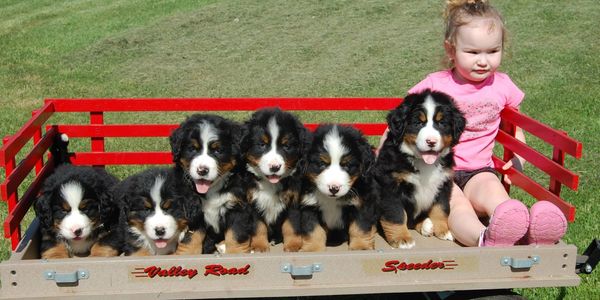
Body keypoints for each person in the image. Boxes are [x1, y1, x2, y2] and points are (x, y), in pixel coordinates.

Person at [378, 0, 567, 247]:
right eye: (473, 52)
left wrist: (517, 162)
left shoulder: (503, 86)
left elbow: (516, 132)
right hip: (438, 172)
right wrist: (383, 158)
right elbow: (398, 125)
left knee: (497, 197)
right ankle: (485, 239)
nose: (483, 61)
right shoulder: (435, 85)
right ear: (450, 50)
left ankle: (532, 234)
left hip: (480, 170)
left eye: (492, 51)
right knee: (456, 207)